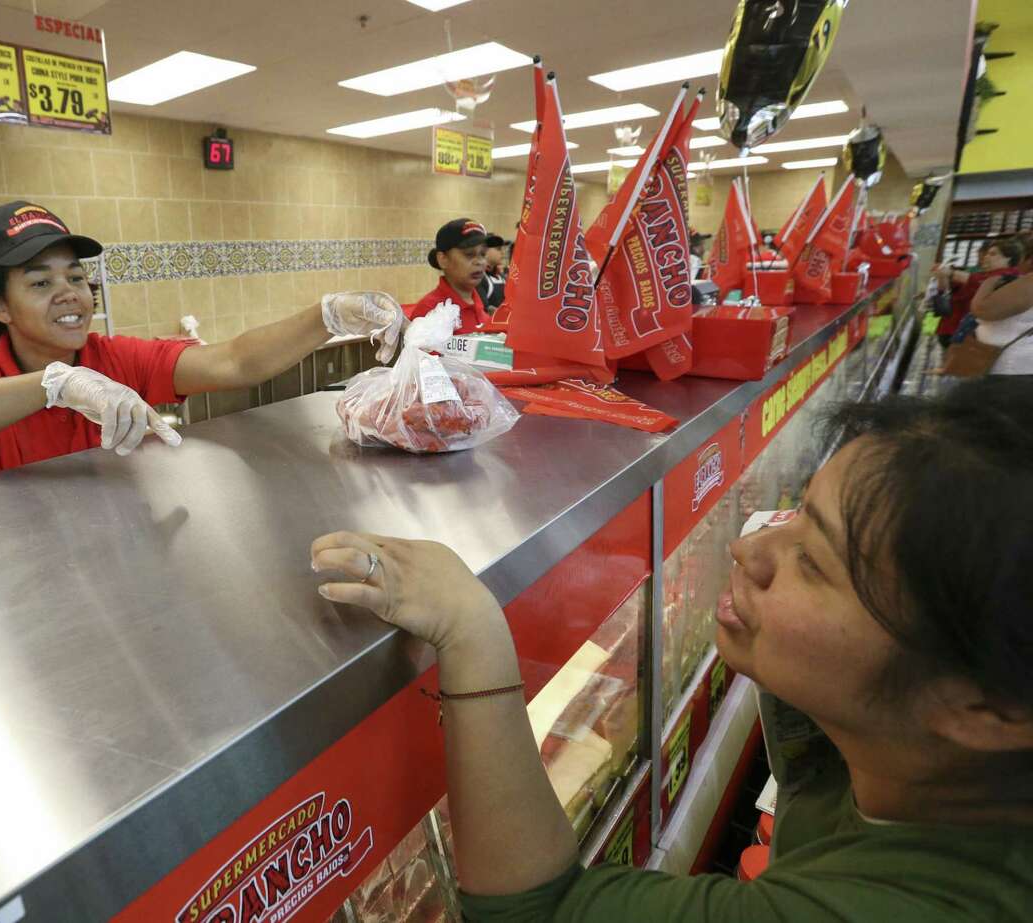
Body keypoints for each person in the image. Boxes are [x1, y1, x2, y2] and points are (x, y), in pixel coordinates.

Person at [312, 377, 1033, 922]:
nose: (751, 546)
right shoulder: (936, 775)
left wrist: (473, 629)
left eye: (814, 561)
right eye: (797, 514)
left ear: (984, 707)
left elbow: (541, 911)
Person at [0, 201, 403, 478]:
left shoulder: (114, 358)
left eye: (74, 277)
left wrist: (328, 314)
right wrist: (53, 385)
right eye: (41, 283)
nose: (68, 294)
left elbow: (235, 363)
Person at [409, 219, 500, 335]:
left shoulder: (479, 305)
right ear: (443, 259)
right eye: (469, 254)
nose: (480, 262)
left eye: (482, 254)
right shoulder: (430, 311)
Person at [934, 237, 1024, 349]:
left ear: (1008, 258)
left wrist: (950, 273)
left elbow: (979, 282)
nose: (986, 257)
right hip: (953, 329)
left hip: (967, 337)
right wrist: (942, 276)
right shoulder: (984, 274)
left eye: (993, 254)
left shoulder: (1007, 278)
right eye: (987, 253)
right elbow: (947, 292)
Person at [971, 260, 1033, 376]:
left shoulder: (1028, 283)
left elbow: (982, 309)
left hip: (1009, 364)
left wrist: (989, 283)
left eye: (993, 254)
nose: (987, 259)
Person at [477, 239, 507, 313]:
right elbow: (484, 309)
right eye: (498, 249)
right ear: (485, 251)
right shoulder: (479, 278)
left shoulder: (502, 277)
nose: (503, 253)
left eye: (503, 249)